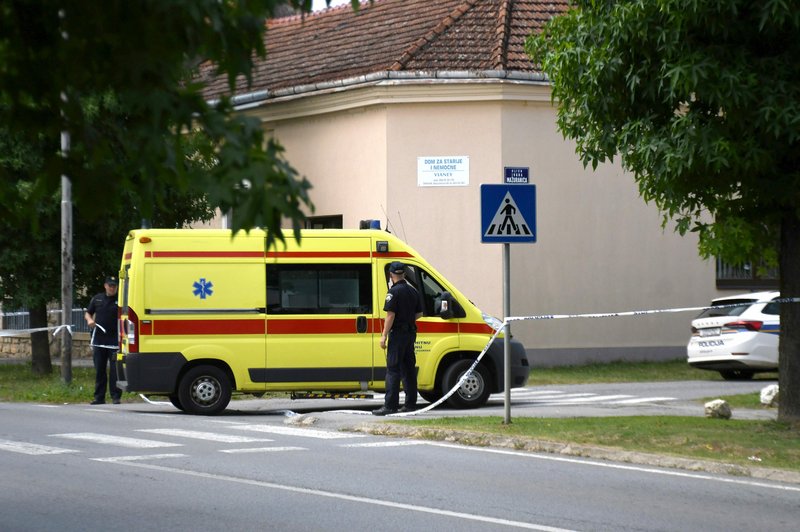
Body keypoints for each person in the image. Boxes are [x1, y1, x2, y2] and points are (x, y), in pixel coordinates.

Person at [373, 261, 423, 416]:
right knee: (408, 369)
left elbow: (390, 315)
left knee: (393, 370)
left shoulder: (393, 292)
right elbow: (419, 314)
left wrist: (383, 335)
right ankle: (410, 404)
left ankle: (390, 405)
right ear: (404, 275)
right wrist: (408, 320)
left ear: (391, 275)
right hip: (410, 334)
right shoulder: (413, 291)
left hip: (398, 335)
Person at [84, 276, 121, 405]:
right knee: (100, 370)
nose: (112, 288)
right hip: (99, 340)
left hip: (115, 341)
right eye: (110, 285)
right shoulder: (97, 299)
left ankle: (116, 396)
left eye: (114, 286)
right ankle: (99, 397)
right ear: (105, 286)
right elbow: (88, 313)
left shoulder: (120, 300)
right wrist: (89, 320)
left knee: (115, 371)